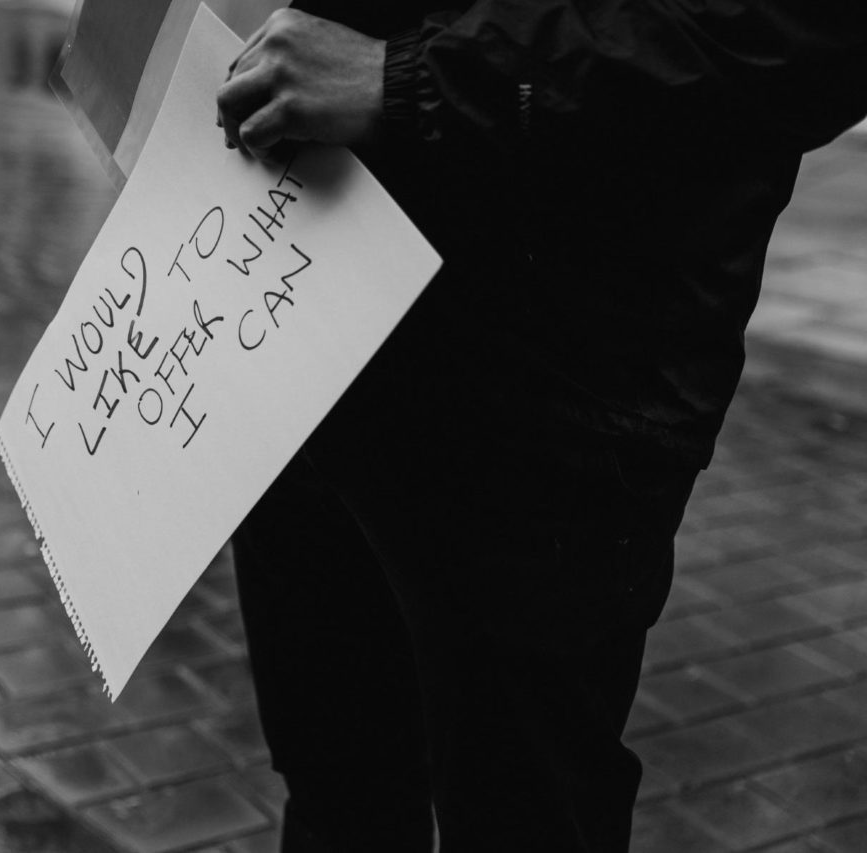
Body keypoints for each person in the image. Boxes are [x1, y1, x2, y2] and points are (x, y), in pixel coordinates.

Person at [217, 3, 867, 850]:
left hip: (546, 383)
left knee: (521, 811)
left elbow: (807, 30)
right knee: (337, 788)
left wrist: (412, 81)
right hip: (303, 301)